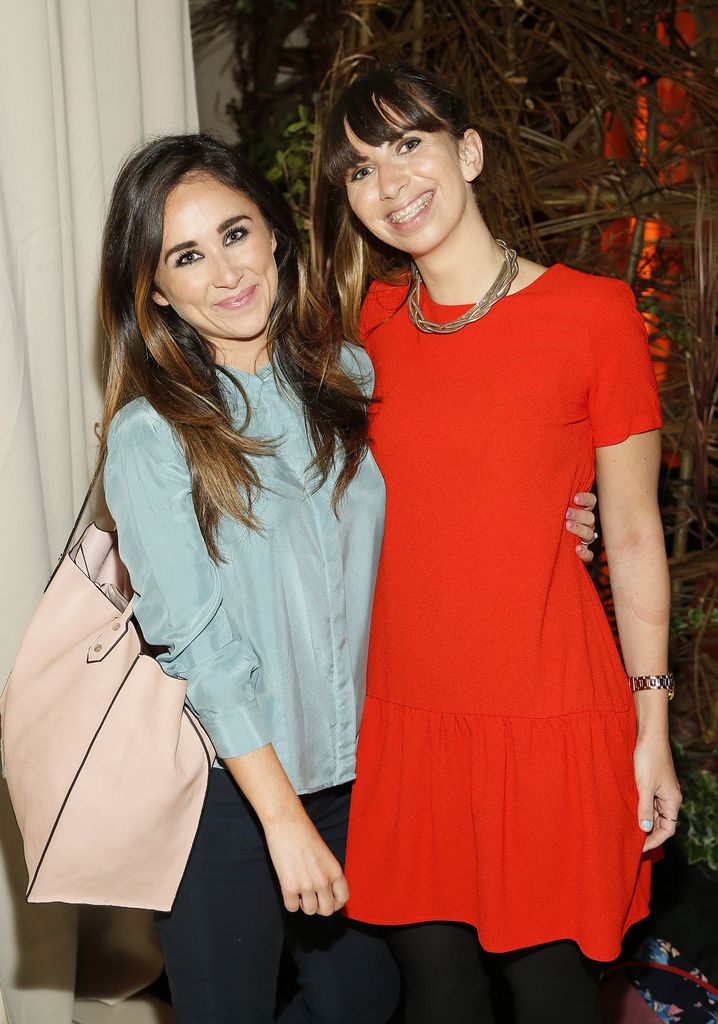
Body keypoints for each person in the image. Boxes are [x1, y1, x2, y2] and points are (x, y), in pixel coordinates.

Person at [97, 133, 596, 1022]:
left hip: (371, 786)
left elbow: (446, 507)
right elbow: (196, 645)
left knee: (365, 1007)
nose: (225, 272)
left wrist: (555, 522)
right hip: (228, 799)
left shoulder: (351, 379)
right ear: (156, 289)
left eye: (237, 234)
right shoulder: (153, 435)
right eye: (186, 255)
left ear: (277, 238)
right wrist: (282, 821)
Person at [317, 64, 682, 1024]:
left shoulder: (594, 313)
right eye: (359, 169)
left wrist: (652, 724)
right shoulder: (369, 328)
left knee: (552, 991)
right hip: (408, 719)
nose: (390, 184)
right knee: (435, 996)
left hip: (548, 711)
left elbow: (636, 528)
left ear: (468, 152)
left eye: (408, 144)